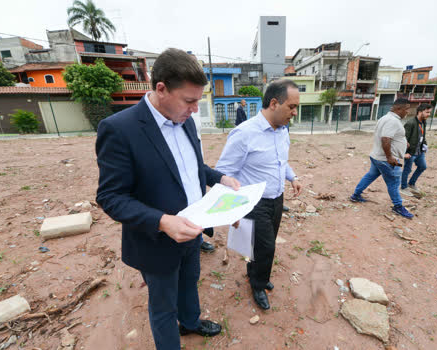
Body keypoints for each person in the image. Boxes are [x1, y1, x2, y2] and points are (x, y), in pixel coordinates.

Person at [96, 48, 240, 350]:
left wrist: (219, 178)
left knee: (189, 283)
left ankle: (190, 323)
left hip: (193, 231)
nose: (195, 109)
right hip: (156, 241)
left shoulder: (185, 119)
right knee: (163, 307)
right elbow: (110, 196)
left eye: (197, 100)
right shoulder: (120, 130)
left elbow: (189, 167)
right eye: (189, 100)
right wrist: (162, 222)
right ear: (161, 88)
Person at [216, 79, 302, 310]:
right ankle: (258, 284)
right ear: (274, 103)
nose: (294, 113)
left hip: (277, 198)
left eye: (296, 107)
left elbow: (280, 161)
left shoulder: (282, 131)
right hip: (253, 201)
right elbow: (224, 171)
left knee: (264, 242)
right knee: (266, 247)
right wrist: (230, 209)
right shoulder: (244, 133)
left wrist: (292, 177)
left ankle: (254, 272)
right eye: (291, 107)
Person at [349, 98, 414, 219]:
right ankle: (398, 206)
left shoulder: (385, 118)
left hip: (377, 156)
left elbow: (390, 136)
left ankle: (356, 195)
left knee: (370, 176)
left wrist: (404, 143)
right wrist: (389, 157)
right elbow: (385, 139)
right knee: (394, 182)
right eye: (406, 109)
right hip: (386, 159)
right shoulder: (392, 121)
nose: (407, 112)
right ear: (398, 108)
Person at [190, 111, 216, 253]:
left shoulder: (191, 120)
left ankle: (198, 240)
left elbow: (196, 164)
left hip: (197, 173)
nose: (194, 107)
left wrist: (222, 179)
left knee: (198, 205)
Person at [400, 103, 432, 197]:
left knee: (422, 166)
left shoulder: (423, 122)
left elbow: (422, 136)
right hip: (411, 152)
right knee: (407, 169)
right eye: (427, 112)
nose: (428, 114)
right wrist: (405, 152)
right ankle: (403, 187)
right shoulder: (410, 123)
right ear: (420, 111)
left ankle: (411, 183)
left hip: (419, 151)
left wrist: (424, 145)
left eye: (429, 112)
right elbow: (403, 139)